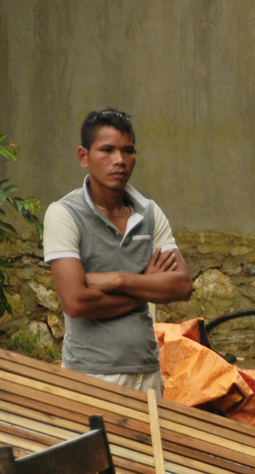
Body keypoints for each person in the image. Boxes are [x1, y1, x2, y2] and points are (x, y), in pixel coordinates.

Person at [43, 109, 192, 393]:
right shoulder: (63, 214)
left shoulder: (148, 212)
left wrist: (118, 280)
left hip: (147, 373)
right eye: (107, 150)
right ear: (83, 157)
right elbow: (76, 302)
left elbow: (182, 286)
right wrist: (146, 282)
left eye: (128, 151)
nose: (119, 160)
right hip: (92, 376)